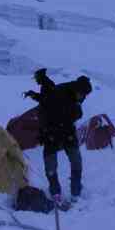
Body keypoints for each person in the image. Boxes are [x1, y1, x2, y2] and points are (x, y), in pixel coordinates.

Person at [24, 68, 92, 201]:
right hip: (53, 133)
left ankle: (74, 191)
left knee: (73, 161)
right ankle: (57, 193)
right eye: (83, 94)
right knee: (55, 163)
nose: (84, 97)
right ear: (78, 90)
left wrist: (35, 96)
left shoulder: (71, 95)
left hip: (64, 132)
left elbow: (47, 100)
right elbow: (47, 102)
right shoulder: (59, 92)